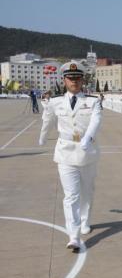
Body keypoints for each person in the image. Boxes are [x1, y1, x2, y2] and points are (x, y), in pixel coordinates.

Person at [38, 61, 102, 251]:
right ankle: (73, 235)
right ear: (64, 80)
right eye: (70, 78)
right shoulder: (56, 101)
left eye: (77, 78)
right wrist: (42, 137)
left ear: (83, 79)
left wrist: (88, 137)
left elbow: (96, 120)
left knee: (87, 192)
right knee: (71, 195)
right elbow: (48, 120)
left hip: (87, 152)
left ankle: (85, 221)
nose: (74, 81)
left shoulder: (92, 101)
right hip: (65, 152)